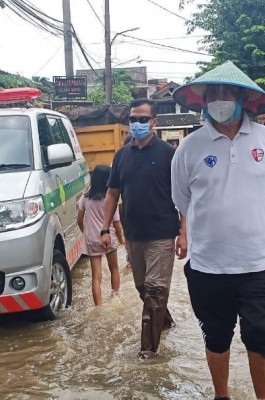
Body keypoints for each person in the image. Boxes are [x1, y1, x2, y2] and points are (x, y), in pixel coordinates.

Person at [170, 61, 265, 400]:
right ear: (203, 101)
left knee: (261, 335)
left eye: (227, 92)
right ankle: (222, 395)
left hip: (260, 263)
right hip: (208, 266)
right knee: (216, 336)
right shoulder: (189, 147)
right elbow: (182, 199)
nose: (220, 99)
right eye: (213, 93)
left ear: (242, 98)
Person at [100, 98, 187, 361]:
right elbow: (112, 194)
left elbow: (183, 195)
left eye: (142, 119)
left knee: (155, 290)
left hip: (162, 234)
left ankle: (148, 351)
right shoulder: (121, 156)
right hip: (134, 234)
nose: (137, 123)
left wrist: (184, 233)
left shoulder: (168, 154)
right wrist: (105, 229)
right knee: (142, 287)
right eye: (133, 119)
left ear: (154, 122)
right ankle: (165, 321)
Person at [77, 165, 125, 306]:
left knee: (96, 276)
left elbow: (79, 220)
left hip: (92, 240)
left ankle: (98, 306)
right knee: (114, 268)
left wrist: (86, 233)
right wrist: (122, 240)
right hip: (109, 238)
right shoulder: (111, 200)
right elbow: (117, 224)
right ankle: (115, 297)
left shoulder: (85, 198)